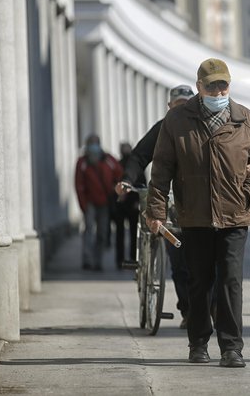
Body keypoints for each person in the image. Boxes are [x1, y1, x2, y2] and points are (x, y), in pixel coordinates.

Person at [145, 59, 250, 368]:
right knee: (198, 281)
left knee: (230, 281)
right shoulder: (177, 120)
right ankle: (198, 343)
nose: (218, 90)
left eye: (222, 85)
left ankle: (231, 347)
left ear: (229, 86)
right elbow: (161, 168)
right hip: (194, 215)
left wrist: (249, 193)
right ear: (199, 86)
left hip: (234, 216)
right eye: (211, 85)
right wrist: (156, 209)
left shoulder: (246, 120)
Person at [115, 85, 195, 329]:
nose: (181, 111)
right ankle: (188, 310)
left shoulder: (201, 128)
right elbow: (139, 156)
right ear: (169, 108)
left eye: (186, 106)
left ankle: (207, 307)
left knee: (204, 261)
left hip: (197, 201)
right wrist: (127, 180)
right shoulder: (161, 129)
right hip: (168, 202)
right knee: (178, 259)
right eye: (177, 106)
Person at [75, 134, 122, 271]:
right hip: (89, 203)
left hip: (105, 203)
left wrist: (116, 188)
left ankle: (98, 260)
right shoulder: (82, 162)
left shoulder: (108, 159)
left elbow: (119, 173)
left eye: (95, 143)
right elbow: (79, 185)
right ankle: (87, 259)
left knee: (102, 232)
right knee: (89, 230)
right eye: (91, 143)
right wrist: (83, 204)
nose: (93, 146)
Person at [114, 142, 141, 270]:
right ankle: (121, 260)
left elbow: (142, 185)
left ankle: (132, 258)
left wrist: (138, 201)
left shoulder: (136, 167)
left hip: (132, 204)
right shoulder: (117, 165)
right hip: (120, 203)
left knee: (133, 233)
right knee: (120, 233)